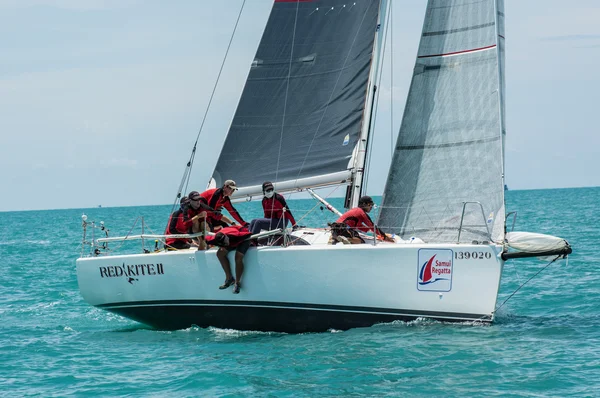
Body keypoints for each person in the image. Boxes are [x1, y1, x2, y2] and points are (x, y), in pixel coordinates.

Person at [206, 224, 252, 294]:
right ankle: (229, 278)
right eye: (223, 245)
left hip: (242, 239)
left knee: (238, 257)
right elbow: (204, 239)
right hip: (229, 240)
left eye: (226, 243)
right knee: (219, 254)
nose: (226, 245)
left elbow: (250, 235)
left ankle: (237, 283)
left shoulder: (239, 235)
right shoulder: (212, 240)